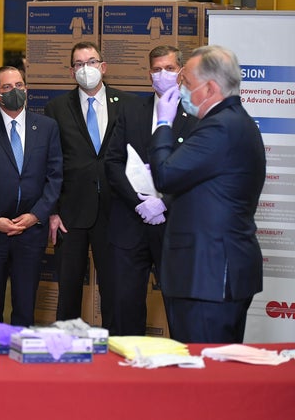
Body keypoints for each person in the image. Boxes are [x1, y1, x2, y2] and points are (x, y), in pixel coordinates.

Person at [149, 45, 266, 343]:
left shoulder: (220, 128)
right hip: (208, 273)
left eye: (186, 83)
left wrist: (163, 122)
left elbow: (164, 174)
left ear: (211, 87)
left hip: (208, 276)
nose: (180, 90)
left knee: (204, 377)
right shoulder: (233, 123)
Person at [103, 45, 196, 336]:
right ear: (148, 74)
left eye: (169, 68)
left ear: (181, 72)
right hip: (131, 223)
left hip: (174, 226)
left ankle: (182, 369)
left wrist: (163, 203)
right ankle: (127, 371)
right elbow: (113, 161)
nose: (162, 75)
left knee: (179, 305)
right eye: (156, 69)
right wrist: (139, 203)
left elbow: (197, 169)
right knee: (125, 304)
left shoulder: (195, 113)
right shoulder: (131, 110)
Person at [44, 41, 135, 328]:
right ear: (72, 72)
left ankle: (113, 346)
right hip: (72, 212)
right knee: (68, 287)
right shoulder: (56, 108)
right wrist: (53, 211)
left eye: (92, 62)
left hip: (115, 211)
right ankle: (67, 347)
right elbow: (51, 163)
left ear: (103, 67)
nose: (87, 69)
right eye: (80, 64)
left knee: (114, 288)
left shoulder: (129, 105)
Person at [0, 66, 63, 326]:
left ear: (26, 89)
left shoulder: (47, 127)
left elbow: (55, 177)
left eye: (19, 85)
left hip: (30, 231)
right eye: (7, 87)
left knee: (25, 305)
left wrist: (36, 215)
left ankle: (21, 359)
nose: (14, 91)